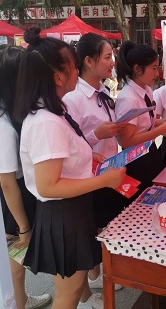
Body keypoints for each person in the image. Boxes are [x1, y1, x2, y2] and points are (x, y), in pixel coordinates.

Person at [15, 28, 126, 309]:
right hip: (63, 215)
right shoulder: (46, 121)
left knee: (75, 289)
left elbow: (65, 159)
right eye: (74, 67)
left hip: (72, 212)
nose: (78, 71)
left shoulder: (56, 111)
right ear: (57, 77)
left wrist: (90, 160)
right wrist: (104, 181)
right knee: (67, 295)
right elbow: (48, 185)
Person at [63, 33, 130, 292]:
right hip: (88, 176)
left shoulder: (103, 91)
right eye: (107, 57)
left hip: (109, 169)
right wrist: (97, 134)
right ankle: (89, 285)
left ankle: (97, 274)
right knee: (91, 227)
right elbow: (70, 145)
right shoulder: (74, 98)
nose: (112, 61)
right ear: (89, 61)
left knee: (104, 223)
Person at [0, 44, 53, 309]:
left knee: (18, 263)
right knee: (16, 265)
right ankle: (17, 303)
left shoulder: (13, 112)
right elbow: (8, 183)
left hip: (18, 196)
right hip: (13, 204)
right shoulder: (5, 126)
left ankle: (21, 299)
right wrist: (24, 227)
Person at [114, 42, 166, 193]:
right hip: (136, 160)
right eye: (154, 68)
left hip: (150, 152)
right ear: (137, 69)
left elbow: (142, 123)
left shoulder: (147, 90)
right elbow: (127, 141)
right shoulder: (128, 98)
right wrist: (161, 129)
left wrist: (160, 122)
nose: (157, 74)